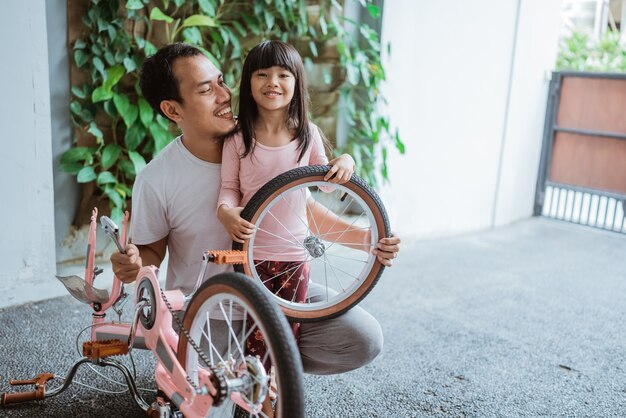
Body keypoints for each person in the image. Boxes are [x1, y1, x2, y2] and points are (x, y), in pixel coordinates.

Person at [111, 42, 401, 376]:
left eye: (221, 81)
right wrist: (132, 263)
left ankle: (274, 366)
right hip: (211, 309)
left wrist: (368, 240)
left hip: (279, 283)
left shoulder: (267, 140)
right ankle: (248, 368)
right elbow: (150, 251)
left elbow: (298, 209)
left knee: (363, 338)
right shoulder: (156, 178)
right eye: (207, 90)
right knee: (205, 396)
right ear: (173, 110)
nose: (224, 95)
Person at [216, 40, 355, 361]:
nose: (272, 83)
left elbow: (330, 185)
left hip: (294, 256)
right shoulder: (237, 138)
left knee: (286, 335)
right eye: (262, 74)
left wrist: (346, 160)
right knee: (255, 333)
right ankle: (253, 400)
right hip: (249, 255)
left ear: (297, 81)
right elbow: (228, 188)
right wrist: (225, 212)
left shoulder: (308, 133)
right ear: (248, 82)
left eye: (283, 74)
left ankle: (277, 399)